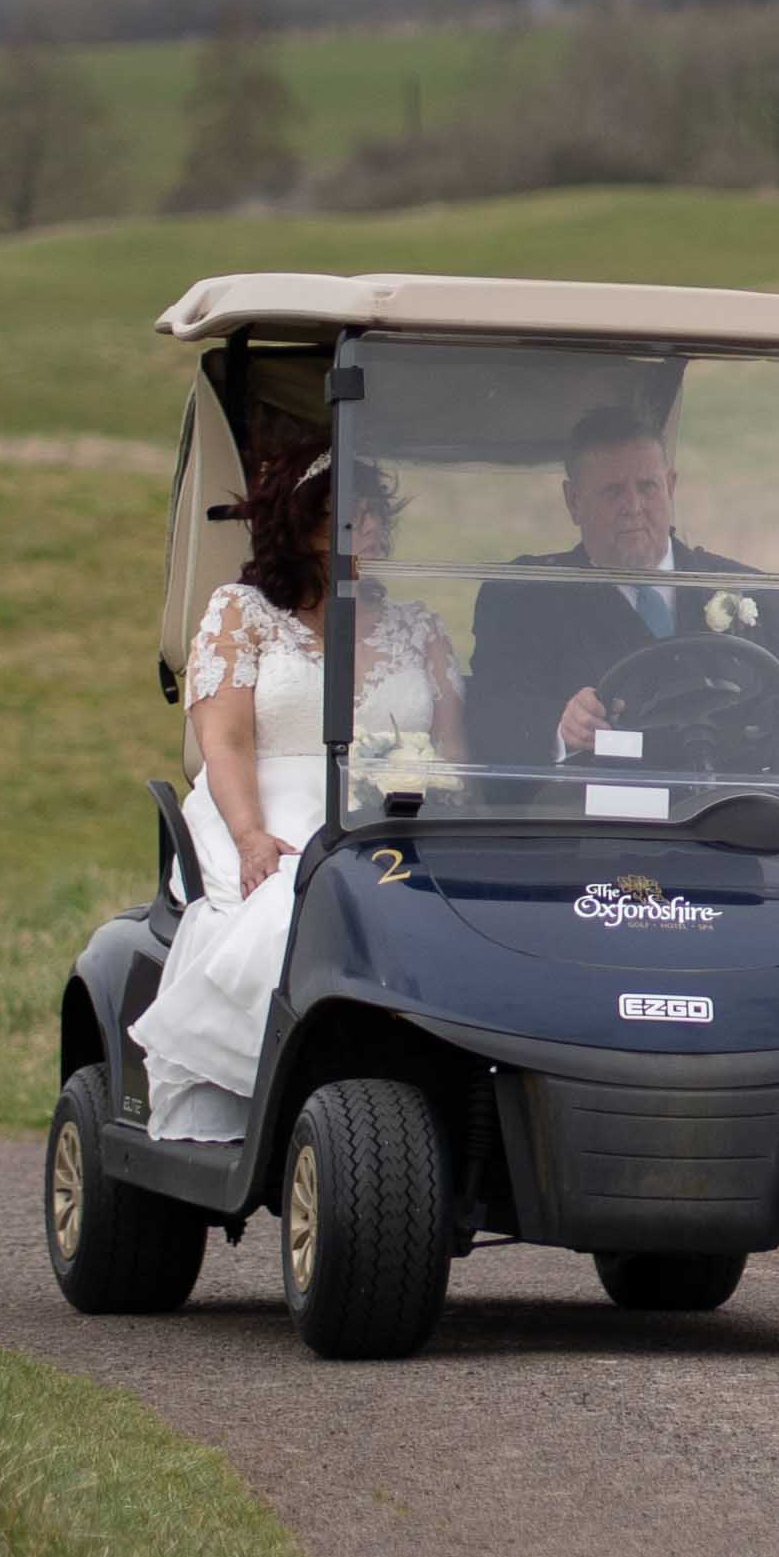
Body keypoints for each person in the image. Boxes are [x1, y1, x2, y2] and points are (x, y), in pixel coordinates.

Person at [122, 438, 450, 1142]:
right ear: (299, 521)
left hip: (388, 811)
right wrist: (248, 835)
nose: (362, 524)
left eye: (371, 508)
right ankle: (291, 1083)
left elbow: (458, 750)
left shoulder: (417, 625)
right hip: (261, 801)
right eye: (340, 510)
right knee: (294, 902)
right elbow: (227, 740)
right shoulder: (242, 613)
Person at [462, 384, 779, 783]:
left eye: (647, 487)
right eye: (612, 492)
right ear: (573, 501)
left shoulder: (748, 591)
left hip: (727, 829)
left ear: (670, 486)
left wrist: (771, 817)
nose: (632, 507)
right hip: (592, 829)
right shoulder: (526, 597)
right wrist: (561, 728)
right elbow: (491, 724)